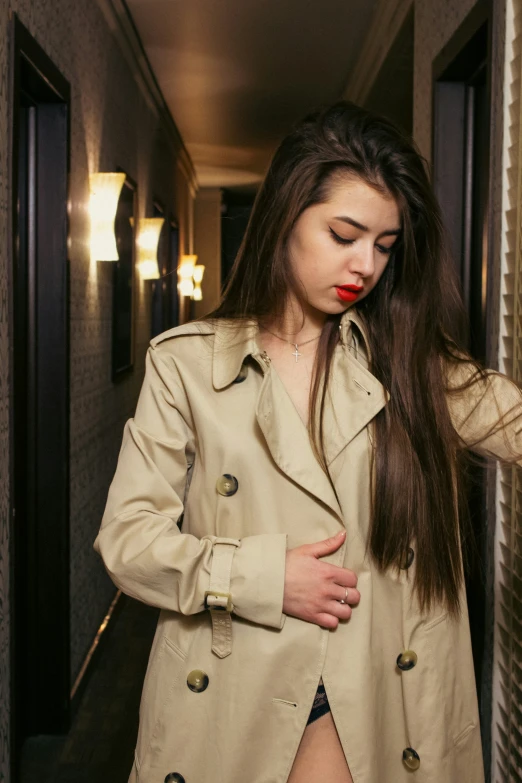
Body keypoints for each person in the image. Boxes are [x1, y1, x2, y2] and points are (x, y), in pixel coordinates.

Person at [94, 101, 522, 783]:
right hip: (237, 684)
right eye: (344, 233)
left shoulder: (410, 363)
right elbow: (128, 540)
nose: (366, 265)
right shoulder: (186, 365)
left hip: (370, 688)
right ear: (286, 216)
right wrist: (266, 577)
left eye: (384, 245)